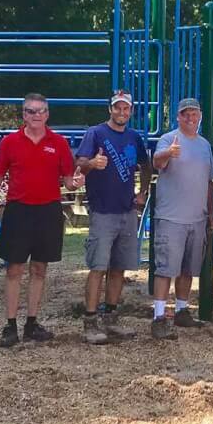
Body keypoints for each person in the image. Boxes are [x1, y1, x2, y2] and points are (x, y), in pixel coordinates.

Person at [0, 92, 79, 346]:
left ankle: (31, 323)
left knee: (39, 269)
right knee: (14, 269)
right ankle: (10, 325)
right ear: (23, 114)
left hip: (48, 211)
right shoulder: (9, 142)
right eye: (30, 111)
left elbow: (69, 181)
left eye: (40, 111)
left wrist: (77, 182)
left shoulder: (59, 143)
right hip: (18, 210)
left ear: (47, 114)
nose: (36, 115)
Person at [75, 91, 152, 345]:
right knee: (98, 267)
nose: (121, 113)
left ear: (130, 111)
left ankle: (111, 317)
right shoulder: (95, 133)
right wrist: (92, 164)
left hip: (126, 210)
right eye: (117, 108)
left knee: (119, 267)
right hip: (103, 211)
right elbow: (81, 163)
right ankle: (90, 320)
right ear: (110, 109)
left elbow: (145, 165)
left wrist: (143, 191)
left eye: (126, 109)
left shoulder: (133, 137)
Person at [150, 97, 213, 339]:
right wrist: (169, 152)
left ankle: (181, 310)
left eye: (194, 114)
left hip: (196, 218)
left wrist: (210, 212)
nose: (190, 118)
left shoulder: (204, 145)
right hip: (171, 218)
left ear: (199, 117)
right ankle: (158, 316)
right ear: (178, 117)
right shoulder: (168, 139)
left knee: (188, 268)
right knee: (166, 269)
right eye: (185, 114)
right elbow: (157, 162)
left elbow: (209, 182)